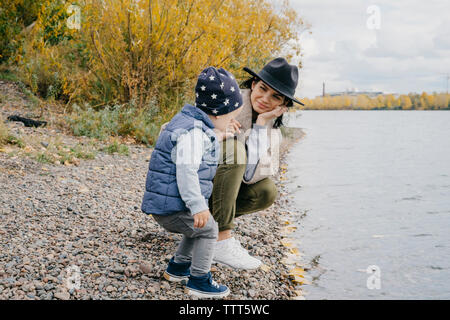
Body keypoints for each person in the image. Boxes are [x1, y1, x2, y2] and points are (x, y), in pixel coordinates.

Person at [141, 66, 243, 298]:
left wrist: (223, 134)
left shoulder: (190, 124)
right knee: (209, 229)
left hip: (168, 202)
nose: (231, 121)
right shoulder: (194, 135)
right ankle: (199, 280)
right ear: (217, 113)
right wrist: (198, 205)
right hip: (171, 207)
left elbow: (203, 139)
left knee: (196, 226)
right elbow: (186, 170)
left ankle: (177, 268)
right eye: (231, 117)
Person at [210, 57, 304, 270]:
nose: (264, 99)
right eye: (262, 88)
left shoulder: (272, 134)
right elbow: (173, 131)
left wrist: (261, 125)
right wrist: (218, 132)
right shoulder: (224, 102)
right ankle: (221, 239)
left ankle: (206, 230)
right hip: (190, 190)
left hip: (214, 202)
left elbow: (249, 177)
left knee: (267, 191)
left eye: (276, 97)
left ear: (283, 105)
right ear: (253, 84)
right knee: (233, 151)